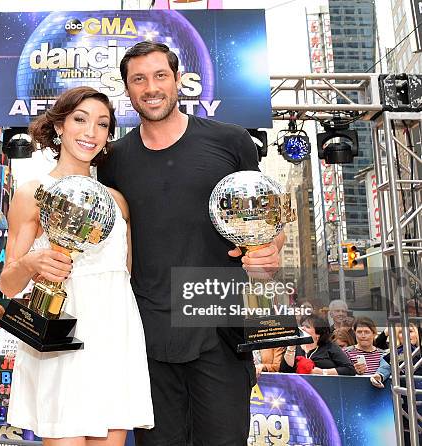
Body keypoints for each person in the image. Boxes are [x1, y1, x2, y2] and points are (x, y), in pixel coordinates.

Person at [96, 41, 282, 444]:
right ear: (127, 91)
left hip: (219, 326)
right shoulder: (112, 160)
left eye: (160, 75)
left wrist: (270, 249)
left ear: (179, 80)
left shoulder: (231, 141)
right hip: (146, 334)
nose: (151, 87)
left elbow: (266, 219)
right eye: (138, 79)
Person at [0, 86, 154, 444]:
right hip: (61, 334)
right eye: (80, 120)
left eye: (102, 124)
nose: (90, 132)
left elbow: (124, 275)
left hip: (115, 336)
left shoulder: (117, 202)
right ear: (58, 127)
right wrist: (32, 261)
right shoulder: (33, 193)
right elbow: (7, 283)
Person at [280, 314, 355, 376]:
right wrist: (291, 347)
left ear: (318, 334)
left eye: (307, 327)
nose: (302, 328)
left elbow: (349, 369)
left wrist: (323, 372)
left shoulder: (329, 346)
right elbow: (284, 370)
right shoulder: (295, 346)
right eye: (302, 325)